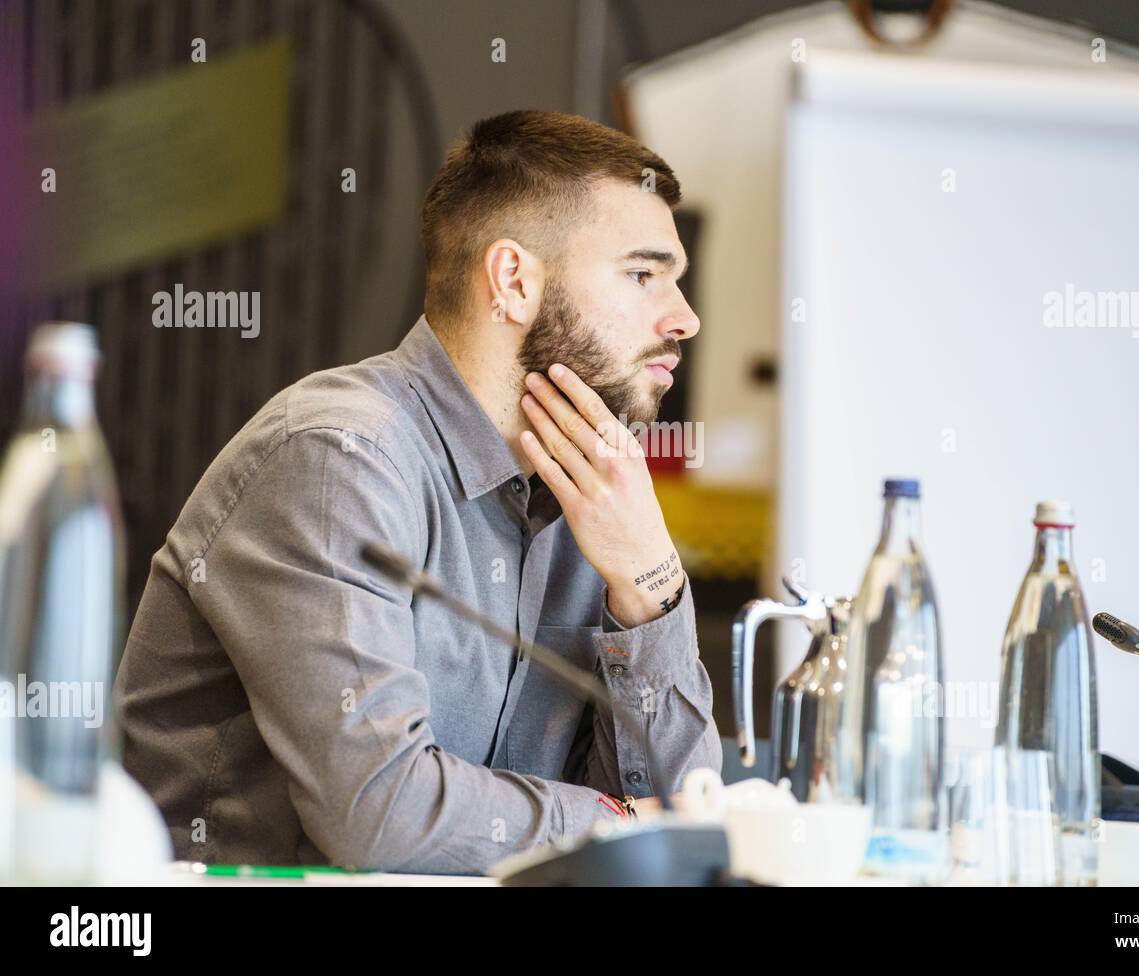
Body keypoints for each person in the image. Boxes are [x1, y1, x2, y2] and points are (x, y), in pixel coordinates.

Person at [115, 110, 720, 874]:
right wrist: (620, 821)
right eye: (643, 275)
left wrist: (649, 586)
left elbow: (686, 833)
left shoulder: (599, 498)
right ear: (514, 281)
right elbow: (382, 812)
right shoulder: (337, 457)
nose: (686, 318)